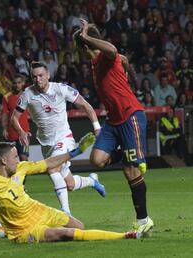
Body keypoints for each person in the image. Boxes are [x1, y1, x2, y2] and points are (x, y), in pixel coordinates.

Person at [0, 141, 141, 243]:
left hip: (41, 211)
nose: (19, 160)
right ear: (3, 160)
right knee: (66, 234)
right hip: (23, 231)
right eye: (15, 157)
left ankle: (49, 229)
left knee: (79, 227)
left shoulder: (21, 168)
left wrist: (74, 152)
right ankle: (125, 235)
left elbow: (48, 163)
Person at [73, 18, 154, 234]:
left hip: (130, 116)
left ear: (85, 45)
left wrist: (86, 36)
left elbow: (113, 50)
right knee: (97, 160)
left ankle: (144, 219)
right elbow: (123, 60)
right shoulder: (97, 63)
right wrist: (124, 69)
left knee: (132, 170)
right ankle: (130, 153)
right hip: (113, 120)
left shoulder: (105, 57)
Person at [11, 61, 105, 215]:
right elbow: (14, 118)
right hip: (45, 144)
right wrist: (21, 132)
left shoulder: (61, 89)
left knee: (52, 168)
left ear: (48, 75)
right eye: (34, 77)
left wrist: (97, 127)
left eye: (41, 75)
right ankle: (92, 181)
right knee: (70, 184)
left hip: (64, 138)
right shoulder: (27, 94)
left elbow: (86, 105)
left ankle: (66, 213)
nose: (38, 79)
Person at [1, 74, 30, 161]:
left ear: (23, 83)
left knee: (24, 157)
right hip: (11, 133)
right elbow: (4, 114)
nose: (17, 85)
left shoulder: (28, 95)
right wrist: (4, 129)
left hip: (24, 133)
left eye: (19, 82)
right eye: (15, 83)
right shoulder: (7, 97)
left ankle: (24, 175)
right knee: (11, 159)